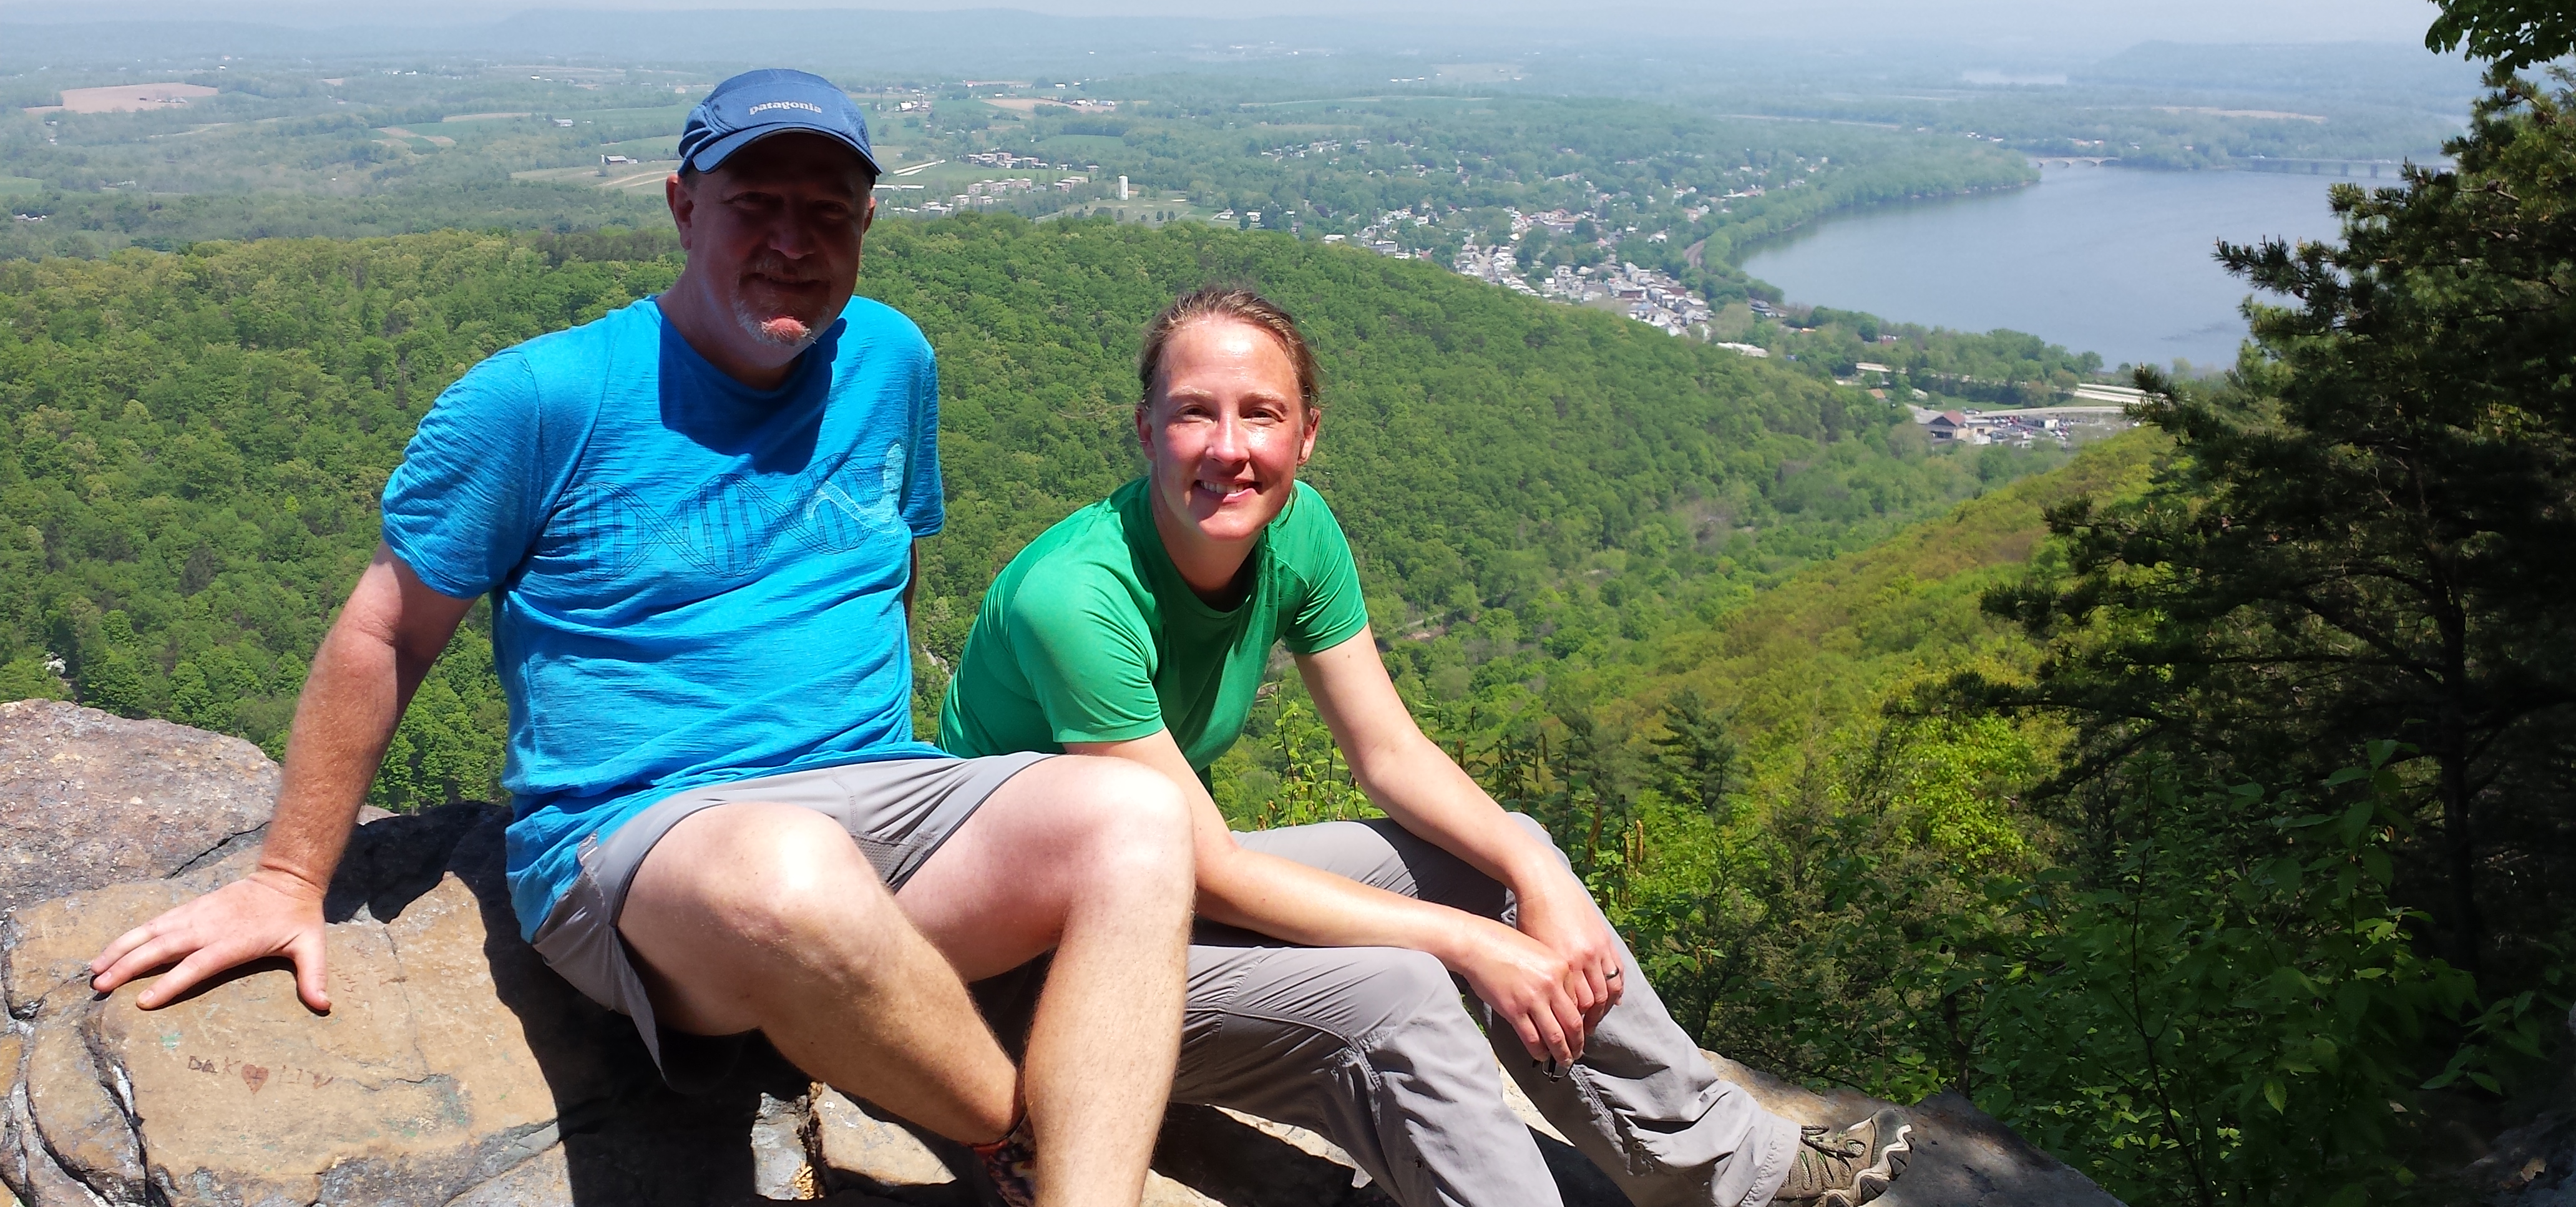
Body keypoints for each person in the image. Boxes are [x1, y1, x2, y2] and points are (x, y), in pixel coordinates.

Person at [87, 69, 1196, 1207]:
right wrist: (285, 880)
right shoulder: (542, 400)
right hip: (650, 843)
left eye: (826, 212)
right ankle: (1021, 1140)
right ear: (682, 205)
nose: (791, 241)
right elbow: (387, 631)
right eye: (754, 204)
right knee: (789, 875)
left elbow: (889, 573)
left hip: (877, 804)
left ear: (866, 223)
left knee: (1138, 816)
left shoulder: (891, 360)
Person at [938, 286, 1915, 1207]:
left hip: (1140, 901)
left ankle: (1720, 1169)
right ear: (1148, 430)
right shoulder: (1077, 598)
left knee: (1498, 853)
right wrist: (1473, 945)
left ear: (1307, 435)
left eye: (1261, 414)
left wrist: (1537, 875)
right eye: (1195, 413)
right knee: (1396, 989)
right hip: (1022, 976)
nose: (1228, 448)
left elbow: (1391, 754)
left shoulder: (1297, 531)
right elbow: (1217, 870)